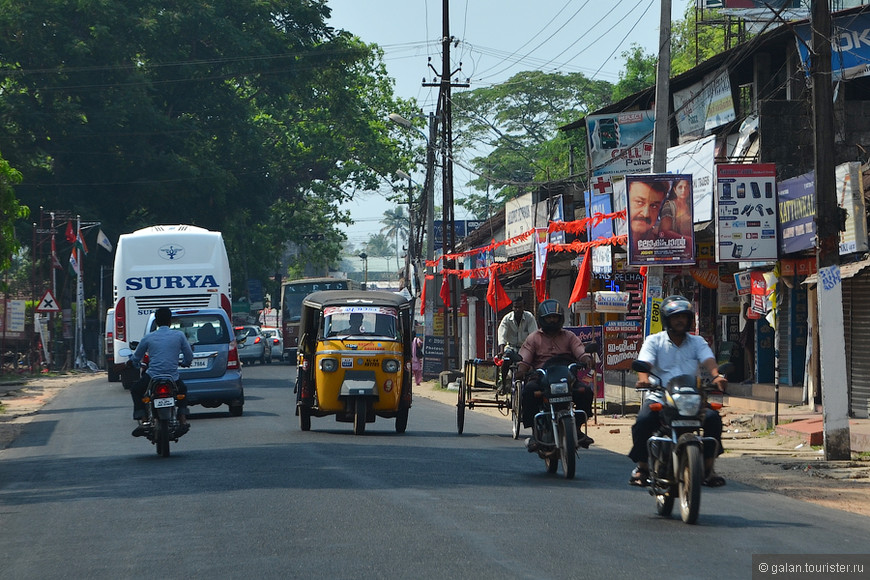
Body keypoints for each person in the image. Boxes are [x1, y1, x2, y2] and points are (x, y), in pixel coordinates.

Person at [628, 295, 729, 487]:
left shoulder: (697, 342)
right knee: (643, 421)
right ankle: (642, 467)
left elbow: (708, 360)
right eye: (676, 317)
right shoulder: (654, 341)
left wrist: (717, 376)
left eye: (684, 317)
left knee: (713, 419)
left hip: (692, 399)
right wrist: (644, 381)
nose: (680, 320)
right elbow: (644, 365)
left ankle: (709, 468)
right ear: (667, 319)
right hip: (661, 395)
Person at [517, 299, 594, 449]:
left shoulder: (569, 336)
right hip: (542, 377)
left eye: (555, 317)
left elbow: (580, 351)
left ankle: (577, 429)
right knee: (528, 392)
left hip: (566, 376)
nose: (552, 320)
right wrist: (521, 370)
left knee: (586, 392)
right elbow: (525, 358)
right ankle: (535, 433)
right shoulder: (533, 338)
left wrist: (586, 358)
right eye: (549, 317)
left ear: (561, 318)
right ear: (542, 319)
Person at [128, 307, 193, 437]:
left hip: (152, 376)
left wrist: (133, 363)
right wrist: (186, 363)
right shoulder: (179, 335)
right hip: (172, 377)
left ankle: (144, 420)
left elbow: (136, 357)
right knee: (183, 391)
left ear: (156, 322)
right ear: (170, 321)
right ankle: (182, 420)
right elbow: (189, 355)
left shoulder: (148, 338)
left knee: (136, 390)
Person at [496, 296, 537, 393]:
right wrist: (502, 350)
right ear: (512, 308)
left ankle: (529, 385)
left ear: (524, 307)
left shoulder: (529, 317)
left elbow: (533, 335)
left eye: (520, 307)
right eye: (515, 307)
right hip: (511, 348)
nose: (517, 309)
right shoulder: (507, 318)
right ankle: (503, 383)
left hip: (525, 348)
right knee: (506, 360)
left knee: (531, 367)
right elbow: (502, 334)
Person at [628, 178, 669, 243]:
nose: (646, 214)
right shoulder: (613, 241)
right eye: (639, 202)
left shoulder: (667, 241)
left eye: (654, 206)